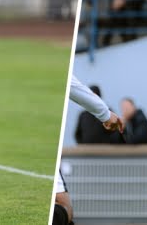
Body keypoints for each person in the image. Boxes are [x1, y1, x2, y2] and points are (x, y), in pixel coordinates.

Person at [54, 76, 125, 225]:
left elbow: (117, 136)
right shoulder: (85, 115)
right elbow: (77, 133)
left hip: (105, 161)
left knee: (68, 203)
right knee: (66, 204)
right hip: (87, 159)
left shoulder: (104, 111)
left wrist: (107, 148)